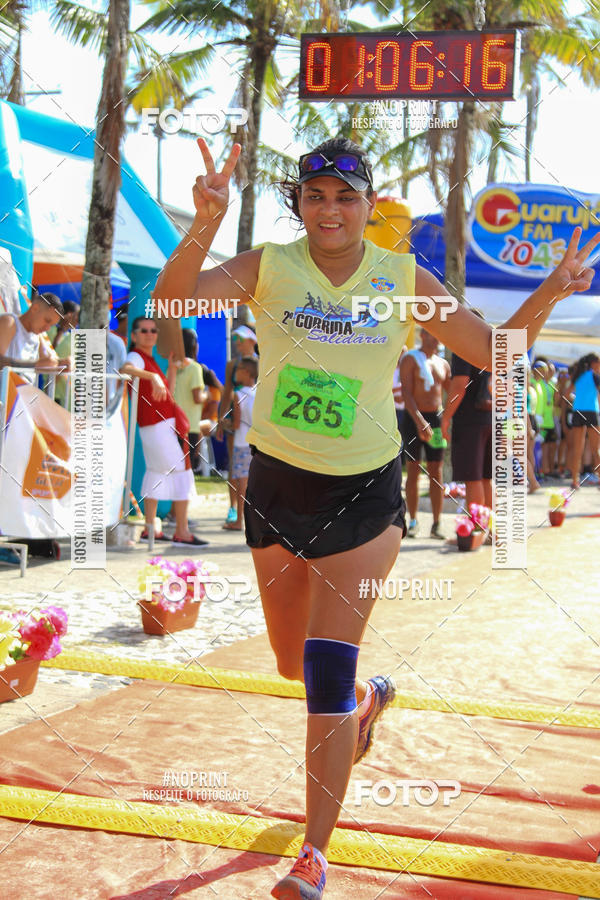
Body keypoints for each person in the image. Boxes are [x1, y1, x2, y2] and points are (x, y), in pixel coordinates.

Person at [153, 135, 599, 900]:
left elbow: (495, 350)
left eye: (346, 197)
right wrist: (207, 220)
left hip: (364, 492)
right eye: (317, 196)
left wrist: (555, 289)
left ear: (367, 204)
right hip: (276, 488)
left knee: (325, 669)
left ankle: (314, 855)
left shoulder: (402, 277)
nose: (331, 211)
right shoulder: (267, 266)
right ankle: (361, 712)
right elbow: (171, 307)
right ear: (300, 202)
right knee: (294, 666)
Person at [119, 315, 208, 546]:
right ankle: (181, 531)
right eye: (144, 330)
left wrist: (166, 372)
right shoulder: (136, 356)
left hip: (159, 424)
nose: (150, 334)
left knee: (156, 473)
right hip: (158, 425)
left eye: (153, 330)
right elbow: (125, 368)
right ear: (134, 335)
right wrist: (154, 377)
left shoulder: (148, 358)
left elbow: (166, 392)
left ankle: (151, 529)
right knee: (182, 472)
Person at [400, 329, 450, 539]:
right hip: (413, 419)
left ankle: (437, 523)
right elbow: (406, 393)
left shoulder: (443, 364)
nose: (437, 337)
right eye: (433, 334)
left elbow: (452, 391)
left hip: (436, 421)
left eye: (438, 334)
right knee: (413, 469)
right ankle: (413, 520)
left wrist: (447, 419)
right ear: (423, 336)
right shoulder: (411, 359)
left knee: (436, 471)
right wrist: (420, 421)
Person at [441, 311, 493, 512]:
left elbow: (459, 386)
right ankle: (490, 531)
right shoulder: (490, 347)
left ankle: (475, 531)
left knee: (473, 479)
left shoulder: (464, 345)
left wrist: (446, 418)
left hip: (470, 421)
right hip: (490, 418)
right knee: (485, 478)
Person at [217, 324, 258, 524]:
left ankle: (248, 513)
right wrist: (220, 420)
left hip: (252, 426)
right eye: (236, 340)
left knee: (253, 470)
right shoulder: (233, 364)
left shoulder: (263, 362)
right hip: (235, 423)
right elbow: (226, 393)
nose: (238, 344)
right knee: (235, 467)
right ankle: (234, 508)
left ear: (253, 341)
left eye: (241, 339)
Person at [0, 290, 70, 383]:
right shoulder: (10, 322)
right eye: (47, 320)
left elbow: (49, 361)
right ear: (35, 308)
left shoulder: (37, 334)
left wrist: (65, 363)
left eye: (51, 325)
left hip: (23, 393)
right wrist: (35, 364)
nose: (47, 328)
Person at [174, 328, 212, 473]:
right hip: (190, 427)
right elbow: (197, 398)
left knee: (177, 470)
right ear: (194, 345)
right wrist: (207, 396)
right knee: (186, 470)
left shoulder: (173, 367)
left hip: (174, 424)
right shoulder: (195, 368)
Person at [567, 353, 600, 489]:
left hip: (578, 411)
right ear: (593, 363)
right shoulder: (595, 376)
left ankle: (575, 480)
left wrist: (575, 400)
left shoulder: (577, 376)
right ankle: (599, 476)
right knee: (595, 448)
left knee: (577, 448)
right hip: (591, 411)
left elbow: (566, 393)